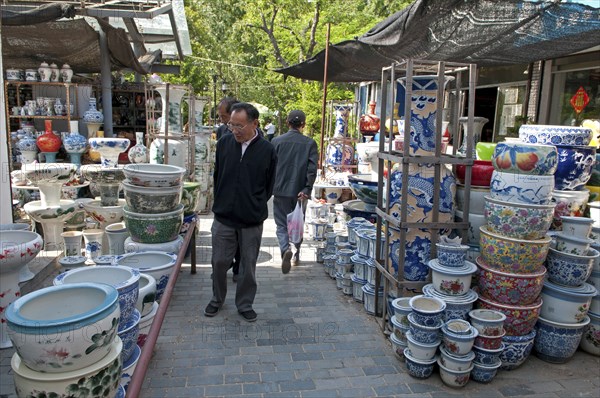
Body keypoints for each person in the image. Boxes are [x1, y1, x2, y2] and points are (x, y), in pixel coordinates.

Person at [205, 102, 277, 322]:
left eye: (239, 126)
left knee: (247, 266)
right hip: (224, 217)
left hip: (251, 220)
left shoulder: (267, 150)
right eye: (231, 125)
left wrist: (253, 204)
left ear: (254, 123)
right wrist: (223, 201)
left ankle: (245, 304)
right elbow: (218, 175)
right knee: (218, 261)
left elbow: (269, 185)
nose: (234, 130)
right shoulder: (225, 143)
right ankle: (217, 299)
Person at [271, 110, 318, 274]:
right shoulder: (310, 143)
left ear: (287, 122)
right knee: (297, 223)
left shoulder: (276, 141)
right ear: (303, 125)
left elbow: (269, 167)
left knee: (281, 224)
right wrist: (307, 188)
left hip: (280, 190)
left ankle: (285, 249)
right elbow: (312, 169)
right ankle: (296, 253)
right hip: (300, 192)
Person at [215, 96, 241, 282]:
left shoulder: (254, 136)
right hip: (225, 195)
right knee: (224, 236)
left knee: (241, 236)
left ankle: (239, 267)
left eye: (224, 116)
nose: (222, 120)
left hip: (243, 197)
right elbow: (218, 166)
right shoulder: (222, 132)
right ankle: (224, 265)